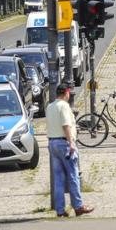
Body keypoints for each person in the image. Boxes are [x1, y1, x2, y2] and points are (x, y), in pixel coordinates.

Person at [45, 84, 94, 218]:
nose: (69, 96)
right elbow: (66, 125)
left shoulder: (50, 106)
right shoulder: (64, 106)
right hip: (64, 143)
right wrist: (71, 143)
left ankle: (60, 210)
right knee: (73, 175)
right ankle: (78, 206)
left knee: (58, 178)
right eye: (69, 93)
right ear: (66, 93)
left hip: (52, 143)